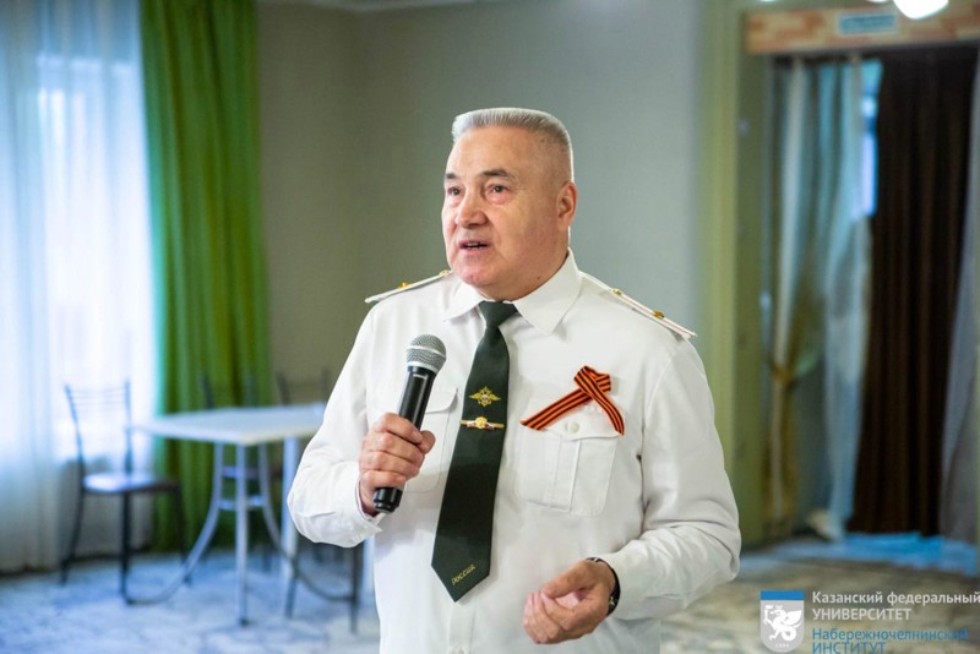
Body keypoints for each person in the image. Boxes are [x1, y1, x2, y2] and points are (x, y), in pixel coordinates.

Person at [288, 107, 740, 653]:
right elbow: (308, 498)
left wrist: (617, 580)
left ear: (563, 205)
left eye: (496, 189)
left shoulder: (647, 351)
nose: (466, 214)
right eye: (454, 191)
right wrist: (361, 488)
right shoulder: (394, 326)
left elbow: (709, 536)